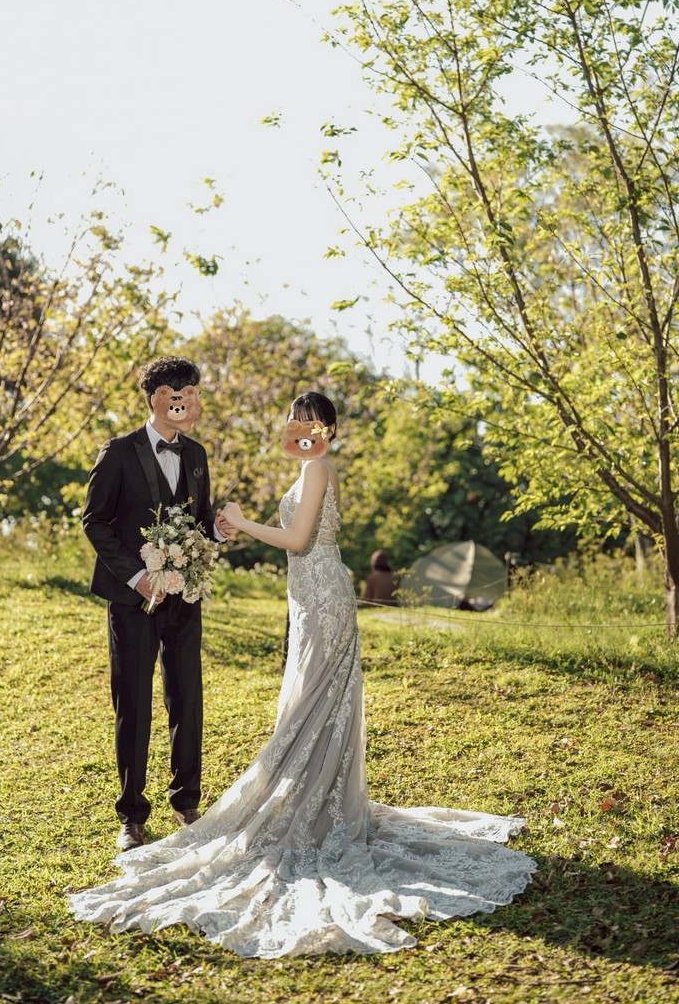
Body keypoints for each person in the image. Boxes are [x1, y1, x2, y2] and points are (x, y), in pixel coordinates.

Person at [69, 391, 534, 957]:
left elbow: (297, 539)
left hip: (323, 600)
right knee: (311, 706)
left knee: (311, 707)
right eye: (296, 421)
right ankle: (311, 802)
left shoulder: (317, 469)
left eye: (313, 422)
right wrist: (224, 527)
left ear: (330, 430)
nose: (302, 429)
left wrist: (244, 522)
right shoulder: (310, 468)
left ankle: (311, 810)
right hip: (309, 599)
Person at [82, 356, 233, 853]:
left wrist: (217, 531)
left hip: (184, 598)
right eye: (177, 393)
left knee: (187, 696)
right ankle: (131, 816)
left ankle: (187, 802)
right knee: (133, 702)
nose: (186, 401)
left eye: (192, 393)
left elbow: (199, 518)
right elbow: (94, 522)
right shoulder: (118, 452)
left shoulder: (197, 454)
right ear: (155, 399)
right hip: (132, 599)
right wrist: (138, 577)